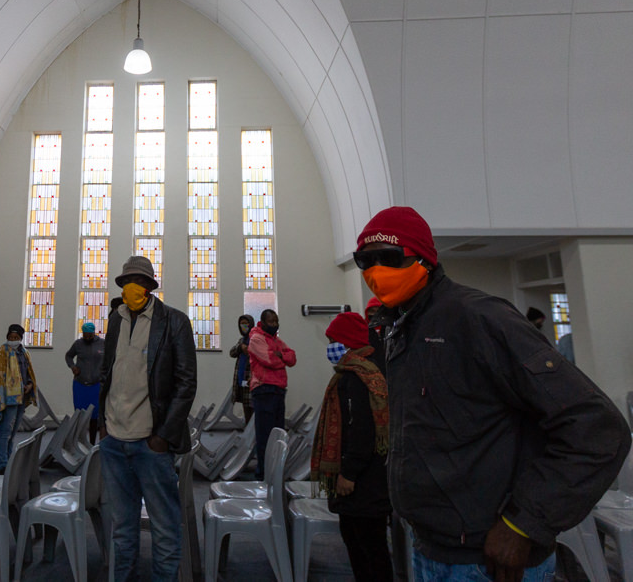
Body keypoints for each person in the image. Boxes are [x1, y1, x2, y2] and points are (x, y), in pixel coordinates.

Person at [354, 206, 630, 582]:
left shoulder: (478, 319)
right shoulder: (404, 327)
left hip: (486, 560)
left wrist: (524, 523)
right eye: (365, 260)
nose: (376, 270)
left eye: (389, 257)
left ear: (424, 259)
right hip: (433, 548)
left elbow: (597, 428)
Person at [99, 255, 197, 582]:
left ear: (150, 286)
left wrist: (163, 436)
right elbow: (108, 372)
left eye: (139, 282)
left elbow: (186, 382)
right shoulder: (116, 319)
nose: (133, 287)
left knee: (164, 528)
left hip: (151, 444)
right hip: (114, 442)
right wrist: (103, 425)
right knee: (122, 529)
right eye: (127, 282)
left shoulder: (174, 322)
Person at [312, 312, 392, 582]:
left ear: (348, 342)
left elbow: (362, 430)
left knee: (369, 547)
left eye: (334, 341)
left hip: (365, 483)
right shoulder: (356, 372)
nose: (331, 348)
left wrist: (349, 473)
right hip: (367, 481)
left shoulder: (359, 377)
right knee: (358, 542)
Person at [247, 308, 296, 481]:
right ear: (263, 322)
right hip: (264, 390)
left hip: (278, 389)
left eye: (276, 321)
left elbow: (292, 358)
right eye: (271, 321)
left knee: (278, 434)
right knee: (265, 436)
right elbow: (270, 360)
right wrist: (282, 357)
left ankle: (275, 473)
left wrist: (280, 355)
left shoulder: (276, 340)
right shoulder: (256, 339)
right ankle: (263, 474)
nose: (274, 324)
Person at [0, 323, 37, 474]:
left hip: (22, 396)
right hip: (9, 397)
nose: (13, 340)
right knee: (5, 431)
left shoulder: (24, 352)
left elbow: (28, 372)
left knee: (13, 432)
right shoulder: (2, 352)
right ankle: (2, 464)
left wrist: (29, 384)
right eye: (11, 337)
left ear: (21, 338)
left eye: (16, 337)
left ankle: (9, 460)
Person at [65, 321, 105, 444]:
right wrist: (73, 367)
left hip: (96, 384)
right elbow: (68, 356)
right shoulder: (78, 344)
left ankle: (92, 442)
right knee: (79, 413)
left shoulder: (102, 344)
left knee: (94, 415)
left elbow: (109, 359)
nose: (87, 338)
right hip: (80, 384)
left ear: (94, 333)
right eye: (85, 335)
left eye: (90, 335)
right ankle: (78, 441)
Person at [228, 314, 255, 424]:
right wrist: (240, 347)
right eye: (242, 324)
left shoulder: (255, 339)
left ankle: (253, 430)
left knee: (252, 407)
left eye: (246, 323)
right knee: (246, 407)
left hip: (251, 379)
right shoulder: (242, 340)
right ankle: (248, 428)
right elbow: (232, 353)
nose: (244, 326)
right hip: (241, 379)